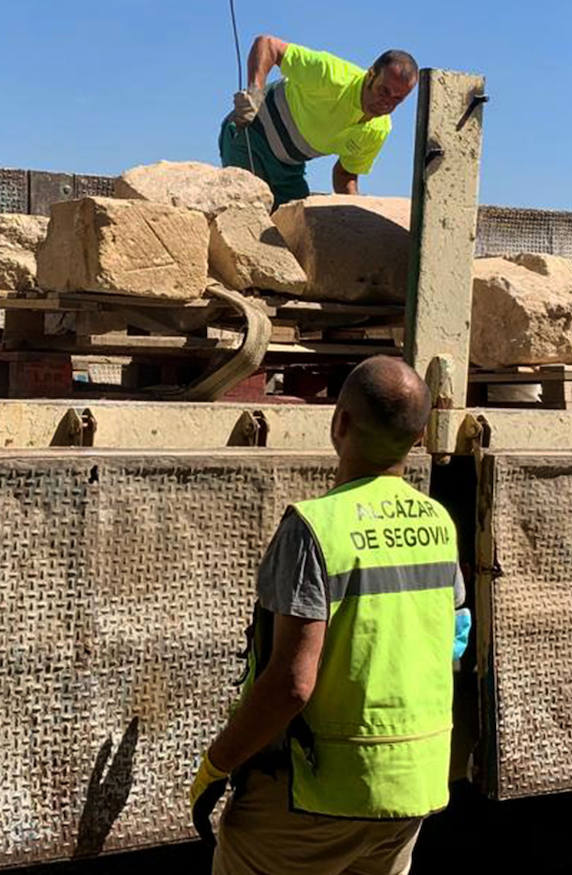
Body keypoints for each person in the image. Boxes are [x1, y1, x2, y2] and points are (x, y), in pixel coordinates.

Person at [190, 356, 468, 875]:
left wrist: (216, 765)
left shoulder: (314, 529)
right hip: (411, 792)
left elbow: (292, 684)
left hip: (316, 794)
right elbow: (451, 640)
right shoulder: (439, 524)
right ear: (420, 435)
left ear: (339, 421)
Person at [219, 36, 419, 207]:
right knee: (251, 212)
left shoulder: (378, 131)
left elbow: (345, 174)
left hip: (288, 167)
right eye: (384, 91)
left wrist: (356, 208)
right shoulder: (332, 75)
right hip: (249, 136)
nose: (387, 103)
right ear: (371, 74)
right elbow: (268, 45)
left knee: (295, 227)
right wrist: (255, 91)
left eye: (397, 99)